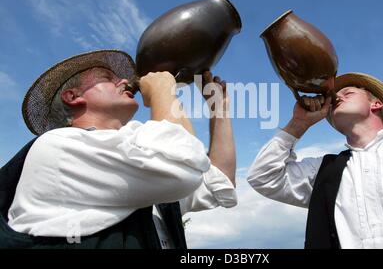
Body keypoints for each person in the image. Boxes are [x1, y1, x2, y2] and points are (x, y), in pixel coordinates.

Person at [1, 49, 237, 249]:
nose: (125, 81)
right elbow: (182, 162)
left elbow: (218, 182)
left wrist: (220, 110)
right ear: (73, 96)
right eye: (107, 77)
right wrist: (163, 92)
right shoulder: (58, 146)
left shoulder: (140, 156)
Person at [248, 72, 383, 249]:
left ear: (376, 103)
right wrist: (298, 124)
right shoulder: (322, 170)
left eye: (348, 92)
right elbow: (263, 177)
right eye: (336, 95)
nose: (336, 96)